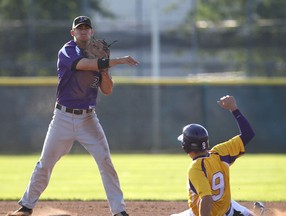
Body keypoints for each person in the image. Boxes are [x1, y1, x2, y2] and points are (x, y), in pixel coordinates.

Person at [8, 16, 139, 216]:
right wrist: (117, 61)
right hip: (62, 118)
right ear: (73, 33)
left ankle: (119, 211)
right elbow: (85, 64)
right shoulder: (68, 51)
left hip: (88, 119)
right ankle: (26, 206)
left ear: (92, 32)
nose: (83, 31)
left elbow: (107, 89)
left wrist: (104, 68)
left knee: (105, 162)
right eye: (79, 28)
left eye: (87, 28)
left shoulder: (99, 60)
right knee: (45, 163)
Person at [171, 95, 256, 216]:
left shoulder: (195, 168)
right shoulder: (220, 152)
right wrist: (234, 109)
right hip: (227, 210)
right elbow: (248, 134)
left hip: (204, 213)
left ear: (185, 146)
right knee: (237, 208)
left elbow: (207, 199)